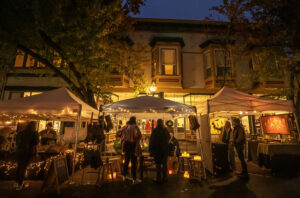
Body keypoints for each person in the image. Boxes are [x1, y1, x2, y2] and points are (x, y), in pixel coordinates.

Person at [116, 116, 142, 184]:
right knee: (134, 162)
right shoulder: (135, 127)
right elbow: (138, 135)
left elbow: (117, 133)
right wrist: (136, 138)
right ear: (135, 120)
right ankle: (134, 179)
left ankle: (124, 176)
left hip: (126, 145)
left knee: (126, 161)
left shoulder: (125, 127)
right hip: (133, 145)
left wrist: (123, 137)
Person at [15, 121, 39, 190]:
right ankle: (20, 184)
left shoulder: (20, 132)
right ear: (33, 126)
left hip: (19, 151)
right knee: (23, 167)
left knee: (19, 166)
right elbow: (36, 142)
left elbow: (17, 142)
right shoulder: (34, 132)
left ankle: (16, 183)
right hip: (27, 152)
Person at [149, 119, 170, 183]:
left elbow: (151, 141)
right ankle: (165, 178)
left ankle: (158, 178)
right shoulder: (165, 130)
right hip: (164, 149)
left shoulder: (155, 130)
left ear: (157, 123)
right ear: (162, 123)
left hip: (157, 150)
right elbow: (168, 137)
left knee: (158, 164)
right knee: (164, 164)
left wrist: (151, 150)